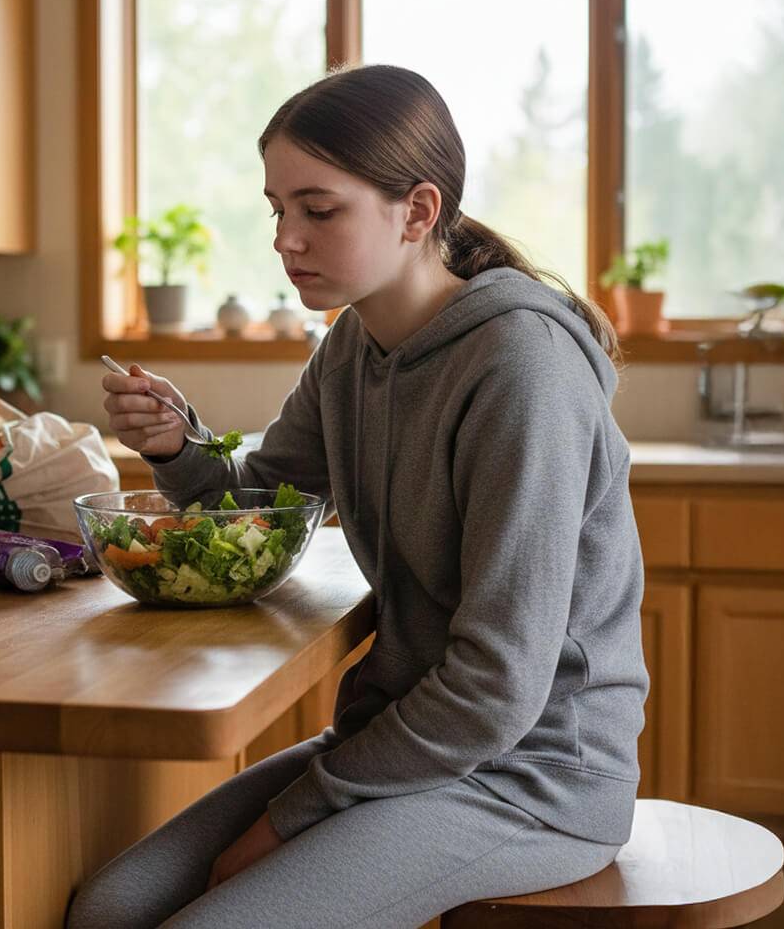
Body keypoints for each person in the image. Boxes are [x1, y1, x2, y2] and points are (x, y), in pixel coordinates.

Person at [71, 64, 648, 929]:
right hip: (404, 749)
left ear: (417, 211)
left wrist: (291, 817)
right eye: (277, 209)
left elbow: (498, 684)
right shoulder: (353, 347)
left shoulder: (520, 367)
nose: (284, 240)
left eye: (318, 209)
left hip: (535, 779)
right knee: (109, 910)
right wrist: (177, 447)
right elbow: (259, 504)